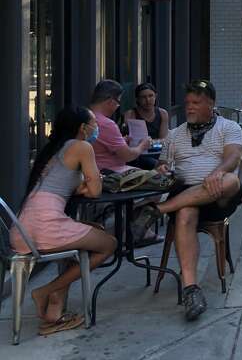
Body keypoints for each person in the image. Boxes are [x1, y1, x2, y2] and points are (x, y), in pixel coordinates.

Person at [11, 107, 117, 335]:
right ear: (82, 128)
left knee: (92, 232)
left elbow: (74, 185)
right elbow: (96, 190)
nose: (96, 127)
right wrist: (90, 183)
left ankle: (55, 307)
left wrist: (84, 185)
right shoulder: (82, 147)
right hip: (45, 226)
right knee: (109, 244)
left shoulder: (52, 150)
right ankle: (45, 291)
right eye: (93, 123)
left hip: (22, 228)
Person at [148, 80, 242, 321]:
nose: (189, 107)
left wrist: (218, 172)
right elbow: (162, 163)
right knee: (185, 212)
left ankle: (159, 210)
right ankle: (191, 290)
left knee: (232, 181)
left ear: (210, 104)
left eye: (196, 103)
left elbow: (234, 156)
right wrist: (161, 169)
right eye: (188, 102)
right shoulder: (175, 135)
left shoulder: (228, 127)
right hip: (185, 195)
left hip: (218, 197)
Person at [89, 79, 151, 173]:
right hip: (109, 173)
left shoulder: (83, 116)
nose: (117, 107)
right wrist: (142, 146)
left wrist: (121, 141)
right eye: (118, 102)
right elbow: (128, 155)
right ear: (110, 101)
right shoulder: (107, 124)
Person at [123, 82, 169, 170]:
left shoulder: (162, 113)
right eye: (143, 97)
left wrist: (151, 143)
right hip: (138, 153)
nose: (148, 100)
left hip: (156, 152)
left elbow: (164, 140)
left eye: (151, 96)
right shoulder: (131, 114)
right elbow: (129, 140)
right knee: (154, 164)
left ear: (155, 96)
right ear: (137, 99)